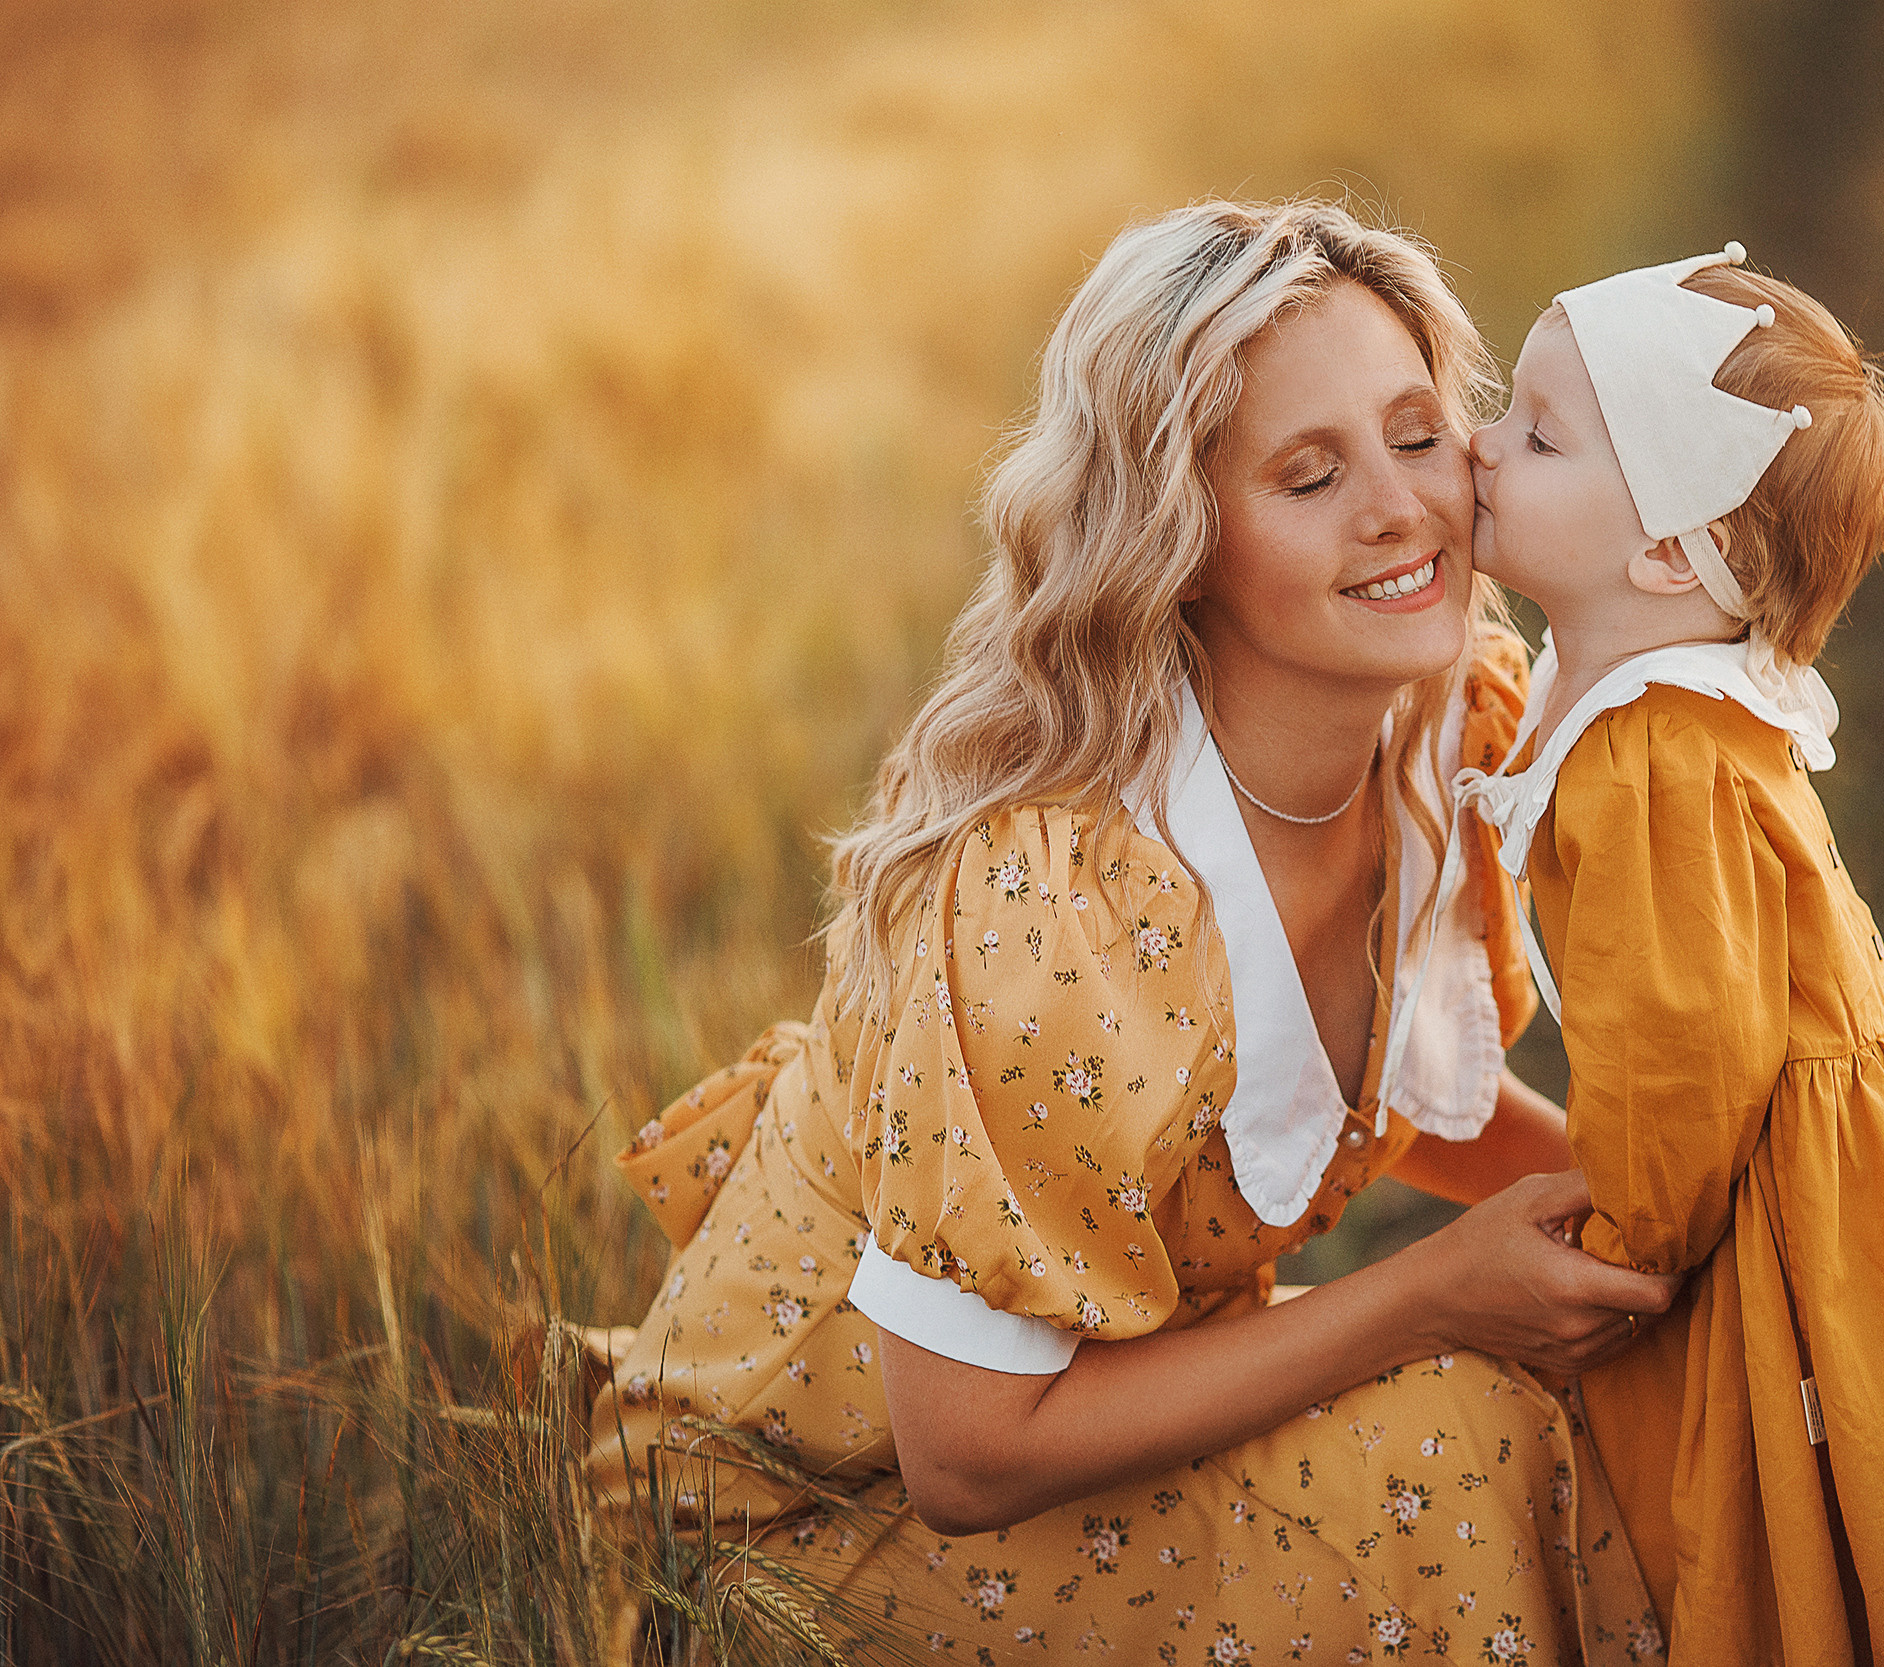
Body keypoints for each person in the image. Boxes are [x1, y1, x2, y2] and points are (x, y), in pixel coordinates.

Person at [583, 200, 1683, 1663]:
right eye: (1308, 475)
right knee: (1460, 1440)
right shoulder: (1055, 909)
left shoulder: (1441, 722)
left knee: (1605, 1386)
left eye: (1420, 436)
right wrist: (1428, 1293)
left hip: (1111, 1405)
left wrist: (1690, 1218)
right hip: (807, 1523)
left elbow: (1382, 1104)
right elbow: (966, 1455)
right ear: (1177, 539)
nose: (1400, 510)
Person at [1455, 245, 1884, 1664]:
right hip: (1815, 1139)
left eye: (1534, 434)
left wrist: (1633, 1239)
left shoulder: (1655, 753)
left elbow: (1683, 1050)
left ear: (1669, 551)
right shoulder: (1630, 677)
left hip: (1775, 1183)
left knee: (1804, 1450)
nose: (1475, 444)